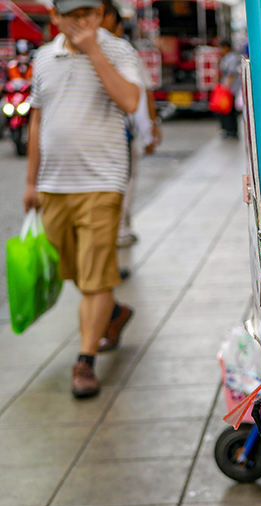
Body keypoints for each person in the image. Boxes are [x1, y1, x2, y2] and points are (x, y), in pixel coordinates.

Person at [23, 0, 142, 398]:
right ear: (56, 16)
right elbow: (37, 121)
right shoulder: (43, 58)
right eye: (74, 15)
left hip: (101, 182)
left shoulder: (117, 50)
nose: (83, 22)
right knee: (71, 270)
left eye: (89, 13)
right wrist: (30, 183)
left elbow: (130, 101)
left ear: (101, 15)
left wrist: (93, 50)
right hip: (54, 185)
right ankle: (113, 312)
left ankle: (85, 361)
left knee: (94, 276)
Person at [101, 0, 162, 254]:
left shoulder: (113, 50)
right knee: (124, 180)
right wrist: (149, 130)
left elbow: (137, 96)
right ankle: (120, 230)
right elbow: (142, 95)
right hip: (117, 136)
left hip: (116, 134)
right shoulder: (122, 50)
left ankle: (116, 232)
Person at [218, 39, 241, 139]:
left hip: (230, 89)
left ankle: (232, 130)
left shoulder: (232, 58)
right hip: (229, 89)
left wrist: (224, 88)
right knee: (227, 110)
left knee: (230, 111)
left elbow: (230, 74)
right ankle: (229, 130)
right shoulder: (227, 58)